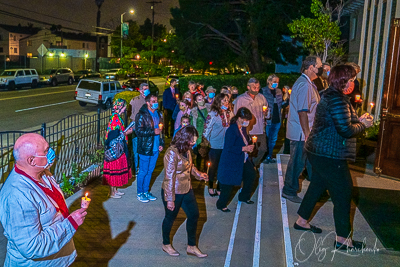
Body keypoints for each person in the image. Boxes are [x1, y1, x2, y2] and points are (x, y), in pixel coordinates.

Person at [294, 65, 373, 250]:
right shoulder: (337, 99)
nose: (354, 83)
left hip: (319, 151)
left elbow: (340, 122)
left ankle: (301, 220)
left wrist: (359, 120)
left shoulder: (332, 95)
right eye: (351, 79)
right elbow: (345, 130)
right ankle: (343, 240)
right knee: (344, 193)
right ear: (342, 81)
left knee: (317, 186)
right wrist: (365, 125)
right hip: (329, 154)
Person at [0, 133, 87, 266]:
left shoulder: (40, 172)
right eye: (46, 151)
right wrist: (70, 224)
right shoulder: (17, 196)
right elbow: (32, 247)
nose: (51, 152)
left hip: (59, 260)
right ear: (31, 160)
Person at [161, 126, 209, 258]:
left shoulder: (187, 150)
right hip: (173, 191)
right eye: (192, 141)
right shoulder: (172, 153)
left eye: (194, 140)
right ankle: (166, 244)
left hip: (187, 189)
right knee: (170, 218)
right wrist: (170, 199)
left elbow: (190, 166)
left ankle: (191, 246)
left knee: (194, 215)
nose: (194, 143)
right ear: (184, 139)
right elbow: (169, 177)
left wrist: (199, 174)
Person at [282, 56, 322, 203]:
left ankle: (318, 190)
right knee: (298, 162)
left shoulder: (308, 83)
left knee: (310, 163)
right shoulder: (304, 85)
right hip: (301, 133)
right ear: (311, 67)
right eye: (319, 66)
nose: (321, 69)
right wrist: (307, 134)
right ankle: (289, 190)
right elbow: (302, 111)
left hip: (305, 131)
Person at [216, 107, 257, 212]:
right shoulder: (232, 130)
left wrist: (249, 147)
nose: (247, 122)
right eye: (245, 119)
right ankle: (221, 204)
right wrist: (244, 148)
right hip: (231, 161)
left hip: (242, 159)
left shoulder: (242, 129)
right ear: (239, 118)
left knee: (251, 174)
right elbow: (229, 147)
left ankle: (244, 197)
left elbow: (244, 142)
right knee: (228, 184)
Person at [135, 94, 165, 203]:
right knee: (143, 171)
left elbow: (162, 131)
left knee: (150, 171)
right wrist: (153, 132)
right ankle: (140, 193)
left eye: (156, 100)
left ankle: (146, 191)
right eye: (153, 101)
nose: (156, 102)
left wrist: (161, 143)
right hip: (145, 148)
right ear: (148, 103)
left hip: (155, 148)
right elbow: (138, 131)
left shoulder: (158, 113)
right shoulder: (142, 115)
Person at [234, 77, 268, 166]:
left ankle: (252, 165)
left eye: (258, 87)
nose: (256, 89)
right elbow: (235, 114)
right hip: (247, 130)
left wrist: (266, 113)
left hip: (260, 129)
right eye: (254, 87)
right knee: (248, 151)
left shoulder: (261, 98)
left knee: (262, 149)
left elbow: (267, 114)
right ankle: (247, 167)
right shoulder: (241, 99)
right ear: (248, 87)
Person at [204, 93, 233, 196]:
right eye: (224, 100)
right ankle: (210, 185)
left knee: (223, 167)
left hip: (226, 145)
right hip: (215, 145)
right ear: (218, 101)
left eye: (227, 100)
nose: (226, 102)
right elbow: (206, 129)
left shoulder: (230, 113)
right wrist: (208, 141)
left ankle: (219, 187)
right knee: (213, 167)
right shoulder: (213, 114)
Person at [103, 99, 133, 198]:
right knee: (114, 170)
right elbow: (115, 136)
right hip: (115, 149)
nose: (125, 109)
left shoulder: (116, 117)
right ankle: (112, 192)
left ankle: (114, 191)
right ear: (120, 107)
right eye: (124, 107)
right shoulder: (116, 118)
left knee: (115, 170)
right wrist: (126, 133)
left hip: (117, 148)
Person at [262, 74, 284, 163]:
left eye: (277, 82)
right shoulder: (263, 91)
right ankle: (264, 156)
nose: (276, 84)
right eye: (274, 82)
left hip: (277, 119)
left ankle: (270, 156)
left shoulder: (279, 91)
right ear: (269, 81)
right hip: (268, 119)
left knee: (273, 139)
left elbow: (281, 104)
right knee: (266, 138)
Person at [130, 83, 150, 175]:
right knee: (136, 150)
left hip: (147, 130)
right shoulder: (134, 101)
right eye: (144, 89)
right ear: (140, 90)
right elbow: (131, 115)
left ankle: (143, 167)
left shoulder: (150, 100)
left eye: (147, 89)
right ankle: (136, 168)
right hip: (136, 129)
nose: (146, 91)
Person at [190, 93, 211, 171]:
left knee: (207, 156)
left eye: (202, 98)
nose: (202, 100)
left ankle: (206, 172)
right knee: (199, 155)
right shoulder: (194, 112)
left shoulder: (209, 109)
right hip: (198, 136)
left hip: (208, 135)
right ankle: (198, 172)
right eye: (199, 99)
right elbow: (192, 125)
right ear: (195, 102)